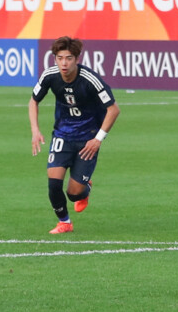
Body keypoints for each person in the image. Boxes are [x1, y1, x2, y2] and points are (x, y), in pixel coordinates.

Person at [28, 36, 120, 234]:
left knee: (74, 194)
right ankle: (65, 222)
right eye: (60, 58)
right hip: (62, 135)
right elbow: (33, 101)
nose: (64, 63)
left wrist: (98, 139)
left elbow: (113, 109)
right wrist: (35, 130)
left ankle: (85, 187)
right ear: (55, 58)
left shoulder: (90, 80)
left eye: (68, 58)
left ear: (77, 58)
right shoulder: (50, 76)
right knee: (53, 183)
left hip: (88, 138)